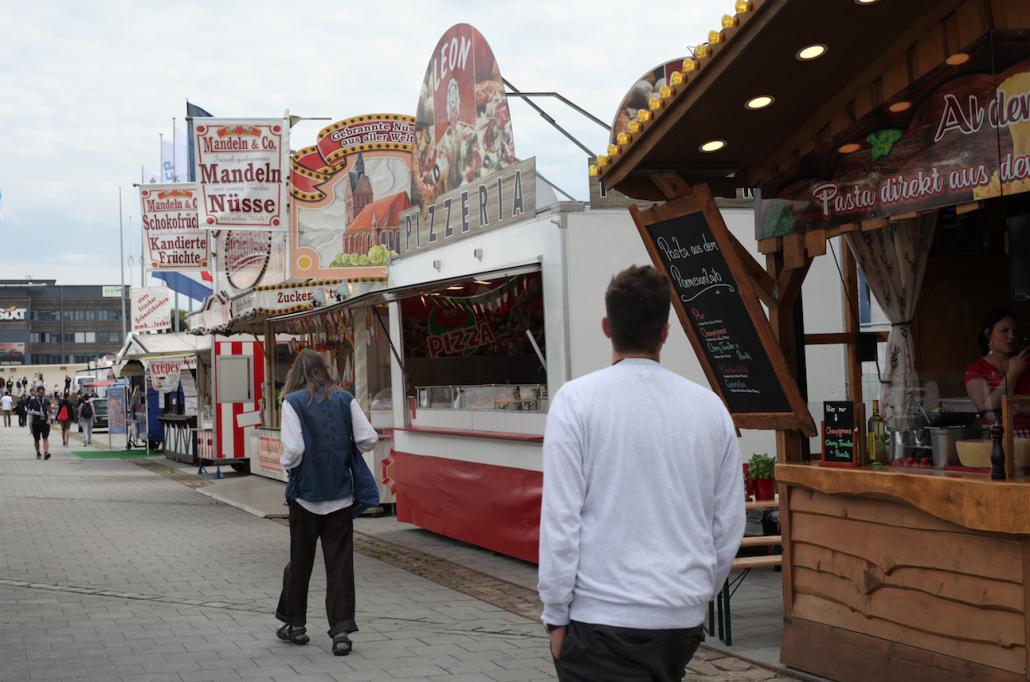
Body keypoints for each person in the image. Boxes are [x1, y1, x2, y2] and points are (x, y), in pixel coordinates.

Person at [538, 265, 745, 682]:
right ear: (666, 331)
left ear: (605, 327)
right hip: (679, 619)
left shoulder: (576, 403)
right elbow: (728, 525)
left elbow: (561, 522)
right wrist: (695, 592)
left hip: (601, 616)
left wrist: (555, 616)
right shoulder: (710, 410)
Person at [274, 348, 379, 656]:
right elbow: (368, 438)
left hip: (306, 496)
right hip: (341, 496)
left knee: (300, 562)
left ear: (296, 373)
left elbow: (293, 450)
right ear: (324, 370)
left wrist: (286, 465)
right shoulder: (345, 399)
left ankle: (295, 624)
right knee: (340, 566)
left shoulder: (292, 403)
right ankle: (342, 631)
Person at [965, 308, 1030, 434]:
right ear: (988, 334)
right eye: (1005, 331)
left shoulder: (1026, 364)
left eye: (1015, 332)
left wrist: (1021, 408)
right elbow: (987, 411)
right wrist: (1013, 374)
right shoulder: (977, 370)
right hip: (996, 439)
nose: (1011, 336)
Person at [27, 385, 52, 460]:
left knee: (45, 438)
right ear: (37, 392)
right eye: (40, 392)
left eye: (43, 392)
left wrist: (50, 413)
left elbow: (50, 411)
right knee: (37, 439)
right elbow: (28, 410)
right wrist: (34, 412)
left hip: (45, 422)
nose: (41, 393)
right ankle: (38, 452)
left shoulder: (47, 401)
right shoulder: (33, 401)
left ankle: (46, 452)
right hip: (36, 423)